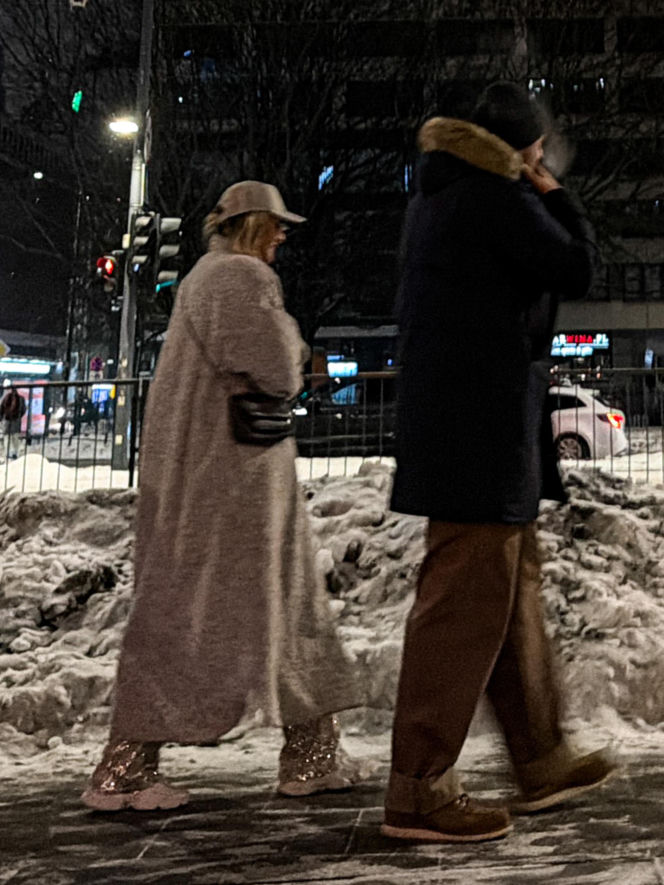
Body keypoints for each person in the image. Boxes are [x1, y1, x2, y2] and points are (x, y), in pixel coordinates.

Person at [82, 181, 366, 812]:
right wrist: (294, 343)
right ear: (252, 226)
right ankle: (127, 766)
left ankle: (310, 750)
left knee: (253, 606)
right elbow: (278, 366)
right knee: (215, 610)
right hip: (234, 482)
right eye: (277, 225)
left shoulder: (204, 278)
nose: (285, 235)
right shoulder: (239, 277)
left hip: (221, 474)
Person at [382, 82, 616, 843]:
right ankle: (418, 786)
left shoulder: (446, 194)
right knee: (461, 608)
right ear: (521, 148)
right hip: (479, 434)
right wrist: (556, 192)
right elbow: (578, 266)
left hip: (474, 431)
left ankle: (539, 756)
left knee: (508, 598)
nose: (544, 161)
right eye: (539, 150)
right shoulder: (491, 193)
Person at [0, 379, 26, 460]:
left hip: (6, 421)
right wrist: (18, 417)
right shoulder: (21, 398)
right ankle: (15, 453)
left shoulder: (4, 397)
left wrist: (1, 418)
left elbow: (1, 409)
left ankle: (7, 453)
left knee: (7, 437)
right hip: (16, 421)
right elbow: (23, 410)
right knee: (15, 437)